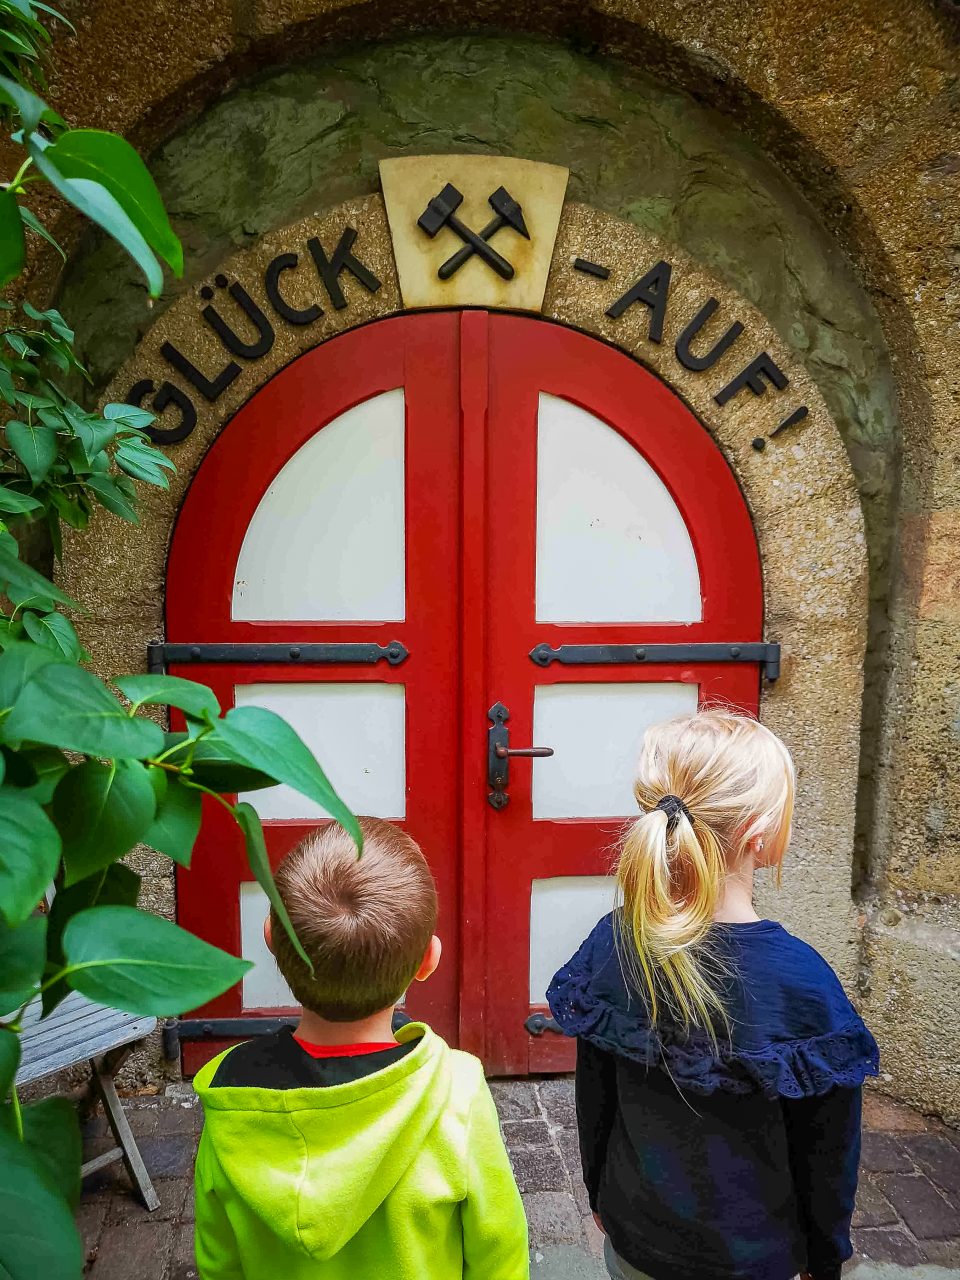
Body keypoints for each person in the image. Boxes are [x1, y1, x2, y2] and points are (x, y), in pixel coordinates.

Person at [547, 708, 879, 1280]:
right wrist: (825, 1255)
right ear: (760, 834)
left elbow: (594, 1093)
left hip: (634, 1240)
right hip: (753, 1261)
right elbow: (828, 1154)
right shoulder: (803, 984)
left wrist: (599, 1192)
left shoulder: (614, 942)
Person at [193, 817, 529, 1280]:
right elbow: (499, 1254)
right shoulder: (456, 1092)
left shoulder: (229, 1094)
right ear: (428, 962)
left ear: (270, 938)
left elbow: (218, 1260)